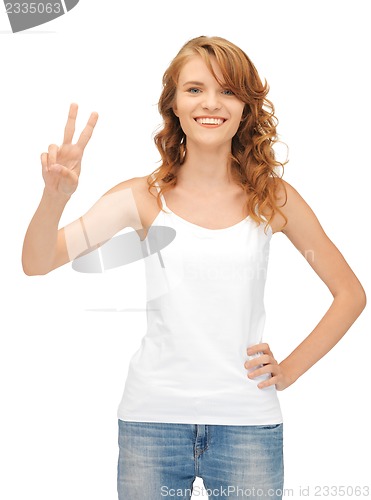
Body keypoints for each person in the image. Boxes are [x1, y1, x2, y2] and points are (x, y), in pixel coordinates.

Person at [22, 36, 366, 500]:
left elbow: (349, 293)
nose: (211, 103)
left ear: (245, 107)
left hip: (248, 425)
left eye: (227, 91)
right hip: (151, 422)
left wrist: (290, 369)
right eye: (195, 89)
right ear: (175, 106)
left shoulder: (273, 198)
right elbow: (39, 262)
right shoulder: (141, 197)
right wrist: (54, 198)